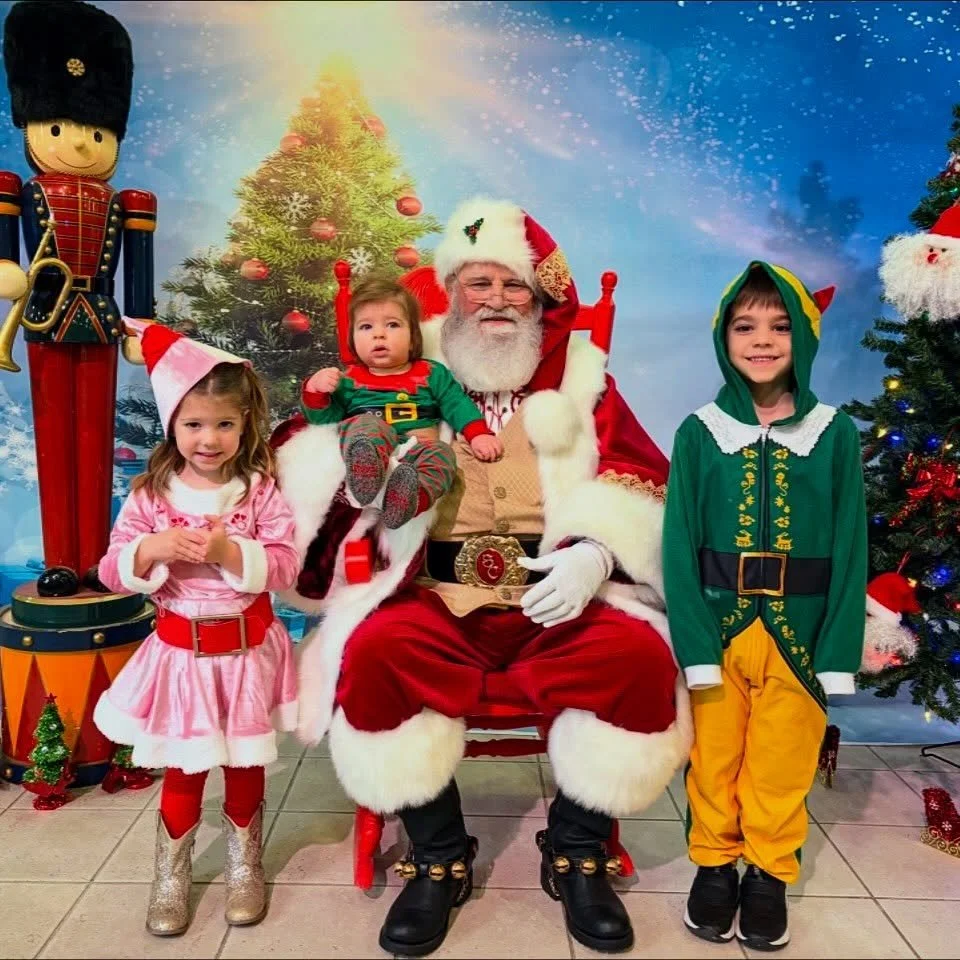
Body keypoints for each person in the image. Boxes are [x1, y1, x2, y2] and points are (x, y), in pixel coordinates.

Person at [272, 198, 692, 956]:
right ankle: (437, 856)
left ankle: (577, 850)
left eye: (515, 287)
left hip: (553, 597)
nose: (497, 301)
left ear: (538, 301)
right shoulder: (406, 377)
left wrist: (596, 549)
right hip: (434, 595)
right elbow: (327, 466)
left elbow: (642, 476)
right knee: (375, 655)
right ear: (451, 295)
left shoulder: (582, 383)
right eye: (479, 285)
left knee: (635, 658)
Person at [662, 262, 867, 951]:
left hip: (801, 636)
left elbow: (850, 545)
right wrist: (692, 645)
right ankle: (714, 868)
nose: (762, 340)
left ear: (803, 339)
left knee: (782, 764)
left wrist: (837, 652)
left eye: (780, 326)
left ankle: (769, 874)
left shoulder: (835, 434)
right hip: (720, 632)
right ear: (725, 337)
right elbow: (678, 544)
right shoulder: (699, 432)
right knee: (714, 759)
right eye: (745, 326)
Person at [93, 319, 301, 937]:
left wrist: (231, 553)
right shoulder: (151, 495)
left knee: (245, 763)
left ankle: (244, 865)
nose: (209, 440)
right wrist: (154, 548)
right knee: (184, 768)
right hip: (182, 658)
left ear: (244, 425)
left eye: (224, 425)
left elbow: (285, 563)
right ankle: (172, 874)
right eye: (193, 425)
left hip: (246, 657)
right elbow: (111, 568)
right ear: (172, 427)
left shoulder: (261, 492)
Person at [301, 275, 502, 529]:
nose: (379, 335)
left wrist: (477, 433)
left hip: (416, 453)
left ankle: (410, 498)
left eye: (393, 325)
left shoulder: (431, 373)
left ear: (413, 337)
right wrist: (315, 390)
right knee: (365, 426)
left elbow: (456, 403)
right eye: (366, 327)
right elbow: (324, 421)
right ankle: (367, 471)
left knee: (442, 454)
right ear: (352, 339)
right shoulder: (348, 381)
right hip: (366, 453)